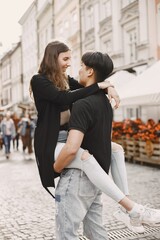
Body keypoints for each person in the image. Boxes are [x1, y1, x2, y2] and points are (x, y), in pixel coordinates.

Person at [54, 51, 160, 237]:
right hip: (96, 178)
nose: (78, 70)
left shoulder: (81, 103)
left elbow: (72, 148)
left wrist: (56, 168)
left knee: (66, 234)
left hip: (77, 178)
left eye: (81, 66)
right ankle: (128, 208)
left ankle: (131, 209)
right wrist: (108, 86)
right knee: (96, 233)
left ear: (90, 71)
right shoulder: (104, 101)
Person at [30, 40, 119, 195]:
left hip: (71, 137)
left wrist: (109, 87)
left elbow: (85, 88)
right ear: (52, 58)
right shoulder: (39, 80)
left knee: (117, 150)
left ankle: (125, 197)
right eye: (65, 59)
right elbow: (62, 98)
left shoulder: (65, 79)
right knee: (86, 158)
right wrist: (100, 86)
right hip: (52, 139)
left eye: (70, 59)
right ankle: (128, 205)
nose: (69, 63)